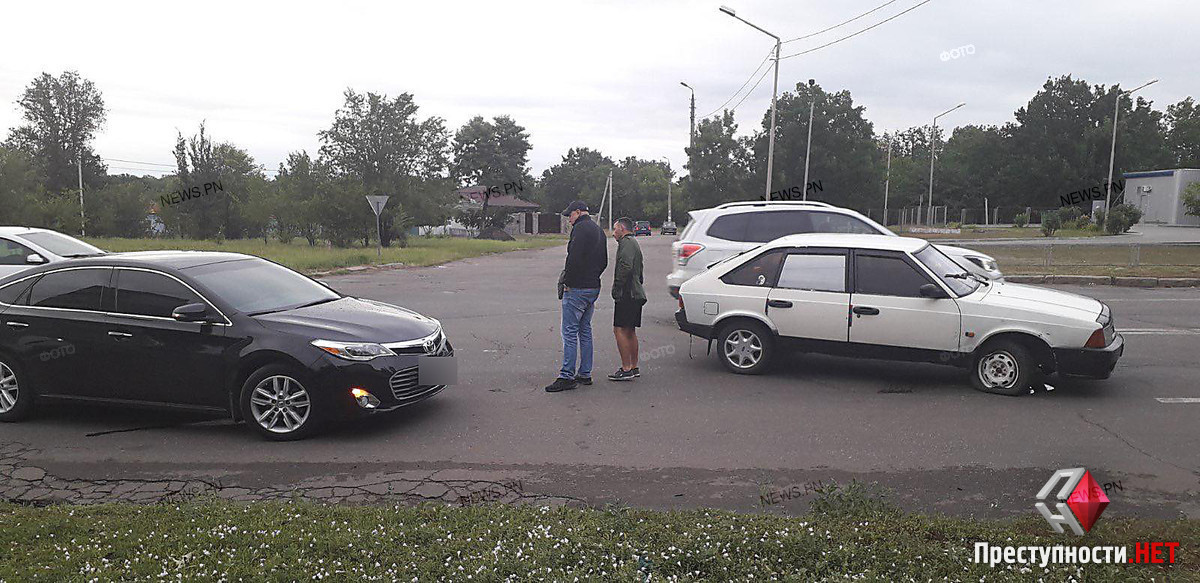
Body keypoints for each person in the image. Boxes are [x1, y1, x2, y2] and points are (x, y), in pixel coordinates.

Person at [546, 201, 608, 392]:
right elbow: (604, 261)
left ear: (578, 212)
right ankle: (585, 373)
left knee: (570, 332)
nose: (569, 220)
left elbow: (573, 259)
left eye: (570, 216)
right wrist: (593, 276)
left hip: (577, 288)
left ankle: (567, 376)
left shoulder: (580, 229)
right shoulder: (599, 230)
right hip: (593, 286)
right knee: (585, 330)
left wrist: (568, 283)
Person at [608, 217, 645, 381]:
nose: (613, 233)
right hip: (635, 292)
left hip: (627, 293)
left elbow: (625, 267)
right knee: (630, 330)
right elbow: (640, 269)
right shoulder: (634, 243)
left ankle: (626, 368)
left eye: (615, 229)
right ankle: (634, 366)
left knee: (619, 329)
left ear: (622, 229)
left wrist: (617, 287)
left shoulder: (626, 244)